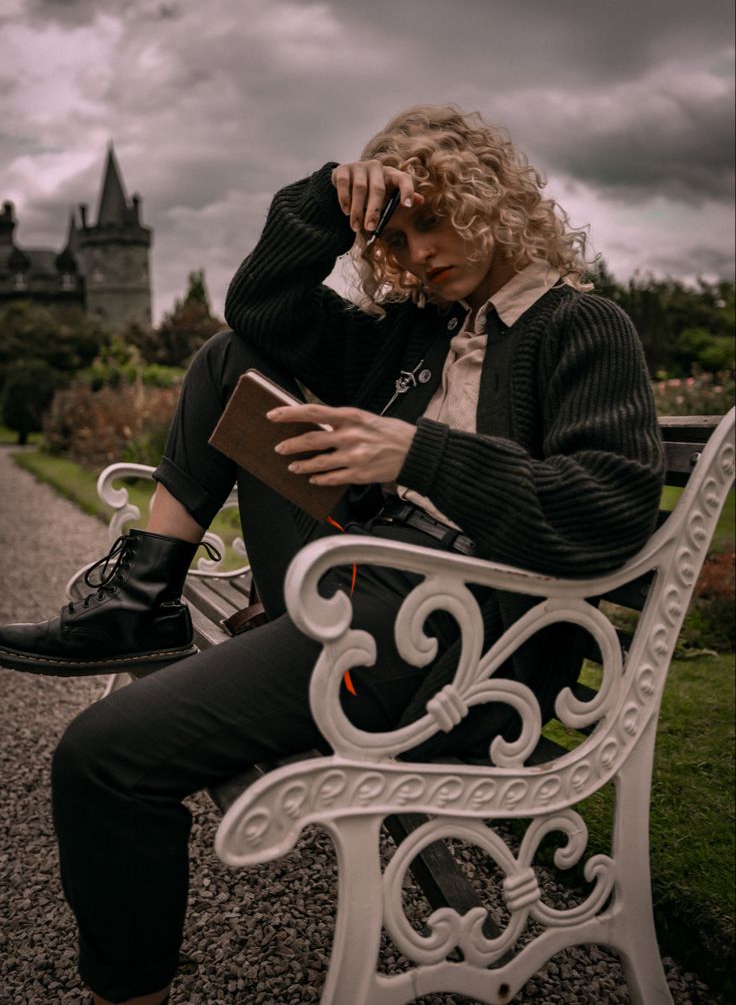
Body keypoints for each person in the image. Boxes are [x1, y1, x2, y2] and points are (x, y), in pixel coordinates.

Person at [0, 105, 664, 1005]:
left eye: (434, 219)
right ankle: (146, 589)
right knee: (236, 356)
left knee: (102, 759)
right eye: (398, 233)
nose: (420, 250)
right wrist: (325, 197)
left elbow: (612, 509)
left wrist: (413, 452)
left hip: (456, 651)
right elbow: (262, 309)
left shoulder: (581, 329)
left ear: (492, 200)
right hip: (362, 589)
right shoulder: (421, 333)